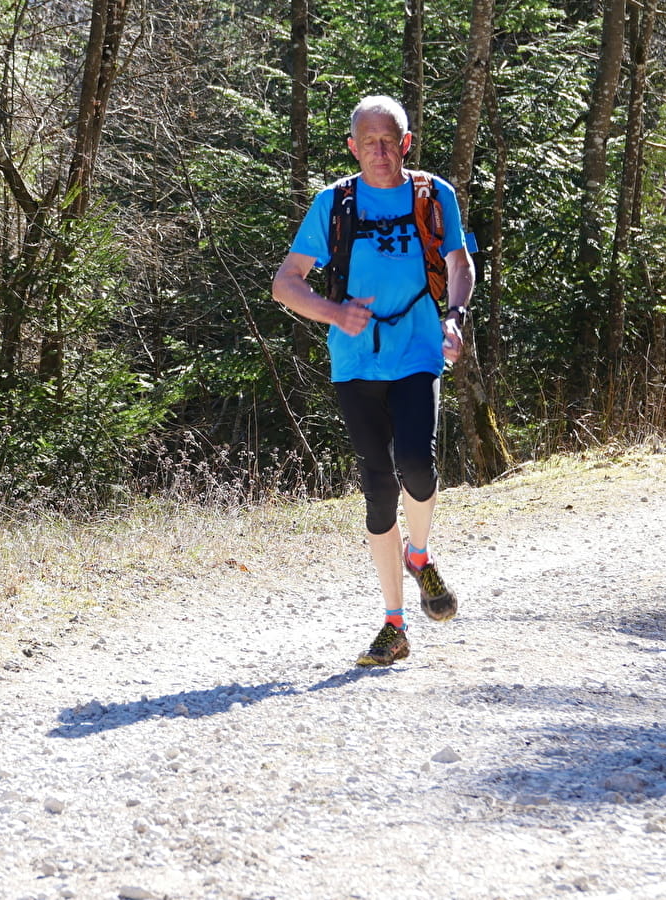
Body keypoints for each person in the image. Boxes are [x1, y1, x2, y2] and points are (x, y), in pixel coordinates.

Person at [271, 94, 474, 667]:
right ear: (352, 148)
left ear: (405, 144)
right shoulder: (334, 204)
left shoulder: (433, 196)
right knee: (379, 489)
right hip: (355, 362)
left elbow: (459, 264)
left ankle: (420, 555)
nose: (380, 152)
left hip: (418, 352)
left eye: (389, 141)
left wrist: (453, 319)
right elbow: (285, 283)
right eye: (369, 143)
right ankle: (394, 624)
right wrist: (334, 313)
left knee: (417, 465)